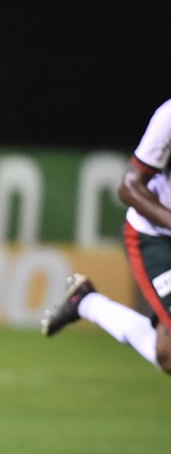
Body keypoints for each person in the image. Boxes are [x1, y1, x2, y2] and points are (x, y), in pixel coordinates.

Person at [41, 100, 171, 375]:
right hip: (156, 238)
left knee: (167, 356)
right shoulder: (169, 116)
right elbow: (128, 186)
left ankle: (86, 302)